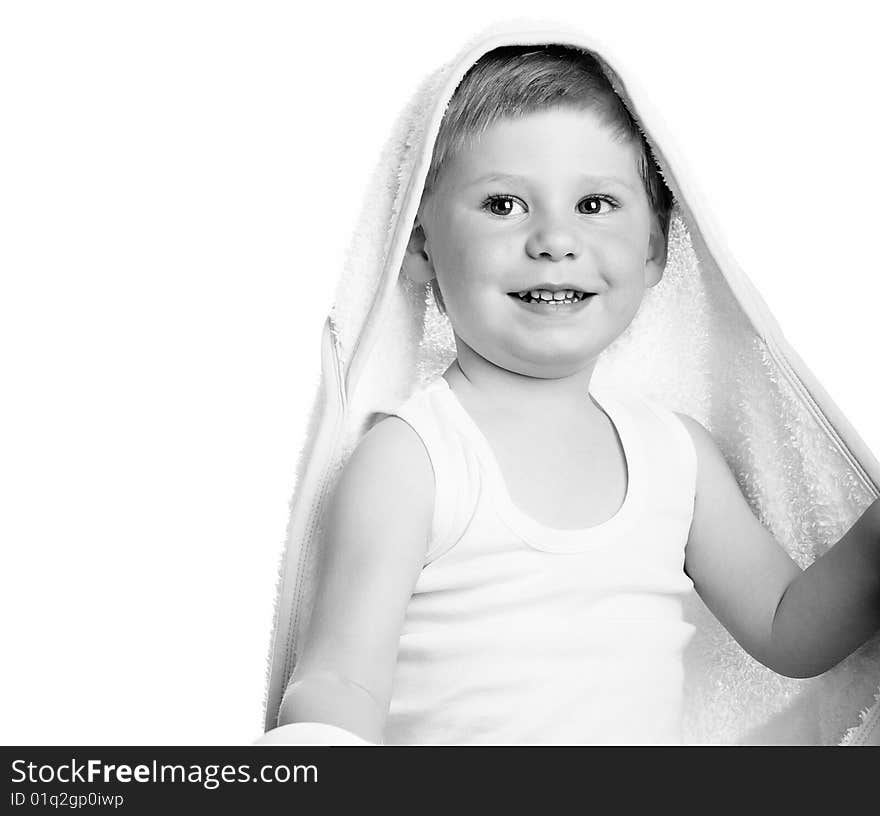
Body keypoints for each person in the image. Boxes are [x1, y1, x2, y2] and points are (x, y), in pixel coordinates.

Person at [257, 24, 880, 746]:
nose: (554, 239)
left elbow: (787, 628)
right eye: (503, 204)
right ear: (419, 244)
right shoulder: (415, 459)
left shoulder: (675, 457)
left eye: (594, 205)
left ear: (655, 249)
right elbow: (339, 680)